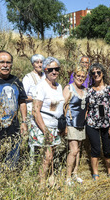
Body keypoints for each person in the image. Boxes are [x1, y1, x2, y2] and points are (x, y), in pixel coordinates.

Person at [31, 57, 65, 186]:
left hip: (55, 125)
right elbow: (35, 110)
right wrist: (45, 131)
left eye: (57, 69)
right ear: (45, 70)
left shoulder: (59, 86)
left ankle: (51, 181)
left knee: (51, 155)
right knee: (47, 157)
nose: (54, 72)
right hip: (43, 126)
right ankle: (41, 185)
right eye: (51, 69)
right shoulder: (41, 86)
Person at [86, 63, 110, 180]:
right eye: (93, 73)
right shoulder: (89, 90)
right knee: (95, 149)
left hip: (107, 123)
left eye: (98, 72)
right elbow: (87, 108)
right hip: (92, 123)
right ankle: (95, 173)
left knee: (108, 149)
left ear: (103, 73)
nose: (96, 75)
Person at [63, 65, 88, 185]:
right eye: (78, 76)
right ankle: (67, 177)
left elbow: (86, 107)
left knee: (78, 150)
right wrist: (65, 125)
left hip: (81, 123)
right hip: (71, 122)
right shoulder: (69, 88)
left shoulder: (85, 90)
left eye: (83, 76)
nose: (80, 78)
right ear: (74, 76)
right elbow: (64, 106)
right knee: (73, 150)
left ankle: (75, 174)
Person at [22, 54, 45, 161]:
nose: (40, 64)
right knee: (33, 137)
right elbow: (23, 96)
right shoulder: (28, 78)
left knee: (43, 136)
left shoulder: (46, 76)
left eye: (41, 62)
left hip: (44, 111)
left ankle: (42, 161)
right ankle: (32, 162)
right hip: (32, 110)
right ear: (32, 64)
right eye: (37, 62)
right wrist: (36, 97)